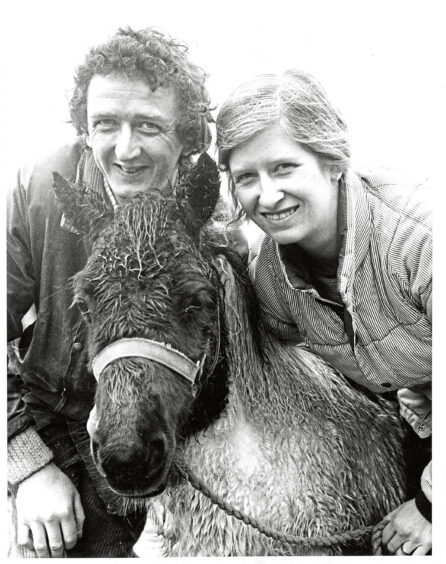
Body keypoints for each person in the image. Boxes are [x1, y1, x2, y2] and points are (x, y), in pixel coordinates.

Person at [7, 26, 213, 558]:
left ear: (188, 135)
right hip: (58, 425)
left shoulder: (212, 210)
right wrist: (28, 465)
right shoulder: (40, 187)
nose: (125, 150)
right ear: (84, 127)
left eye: (148, 125)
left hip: (178, 436)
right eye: (105, 125)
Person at [216, 70, 432, 556]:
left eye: (285, 168)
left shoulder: (421, 237)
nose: (266, 196)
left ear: (333, 161)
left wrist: (430, 506)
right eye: (246, 177)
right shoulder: (268, 273)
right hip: (417, 418)